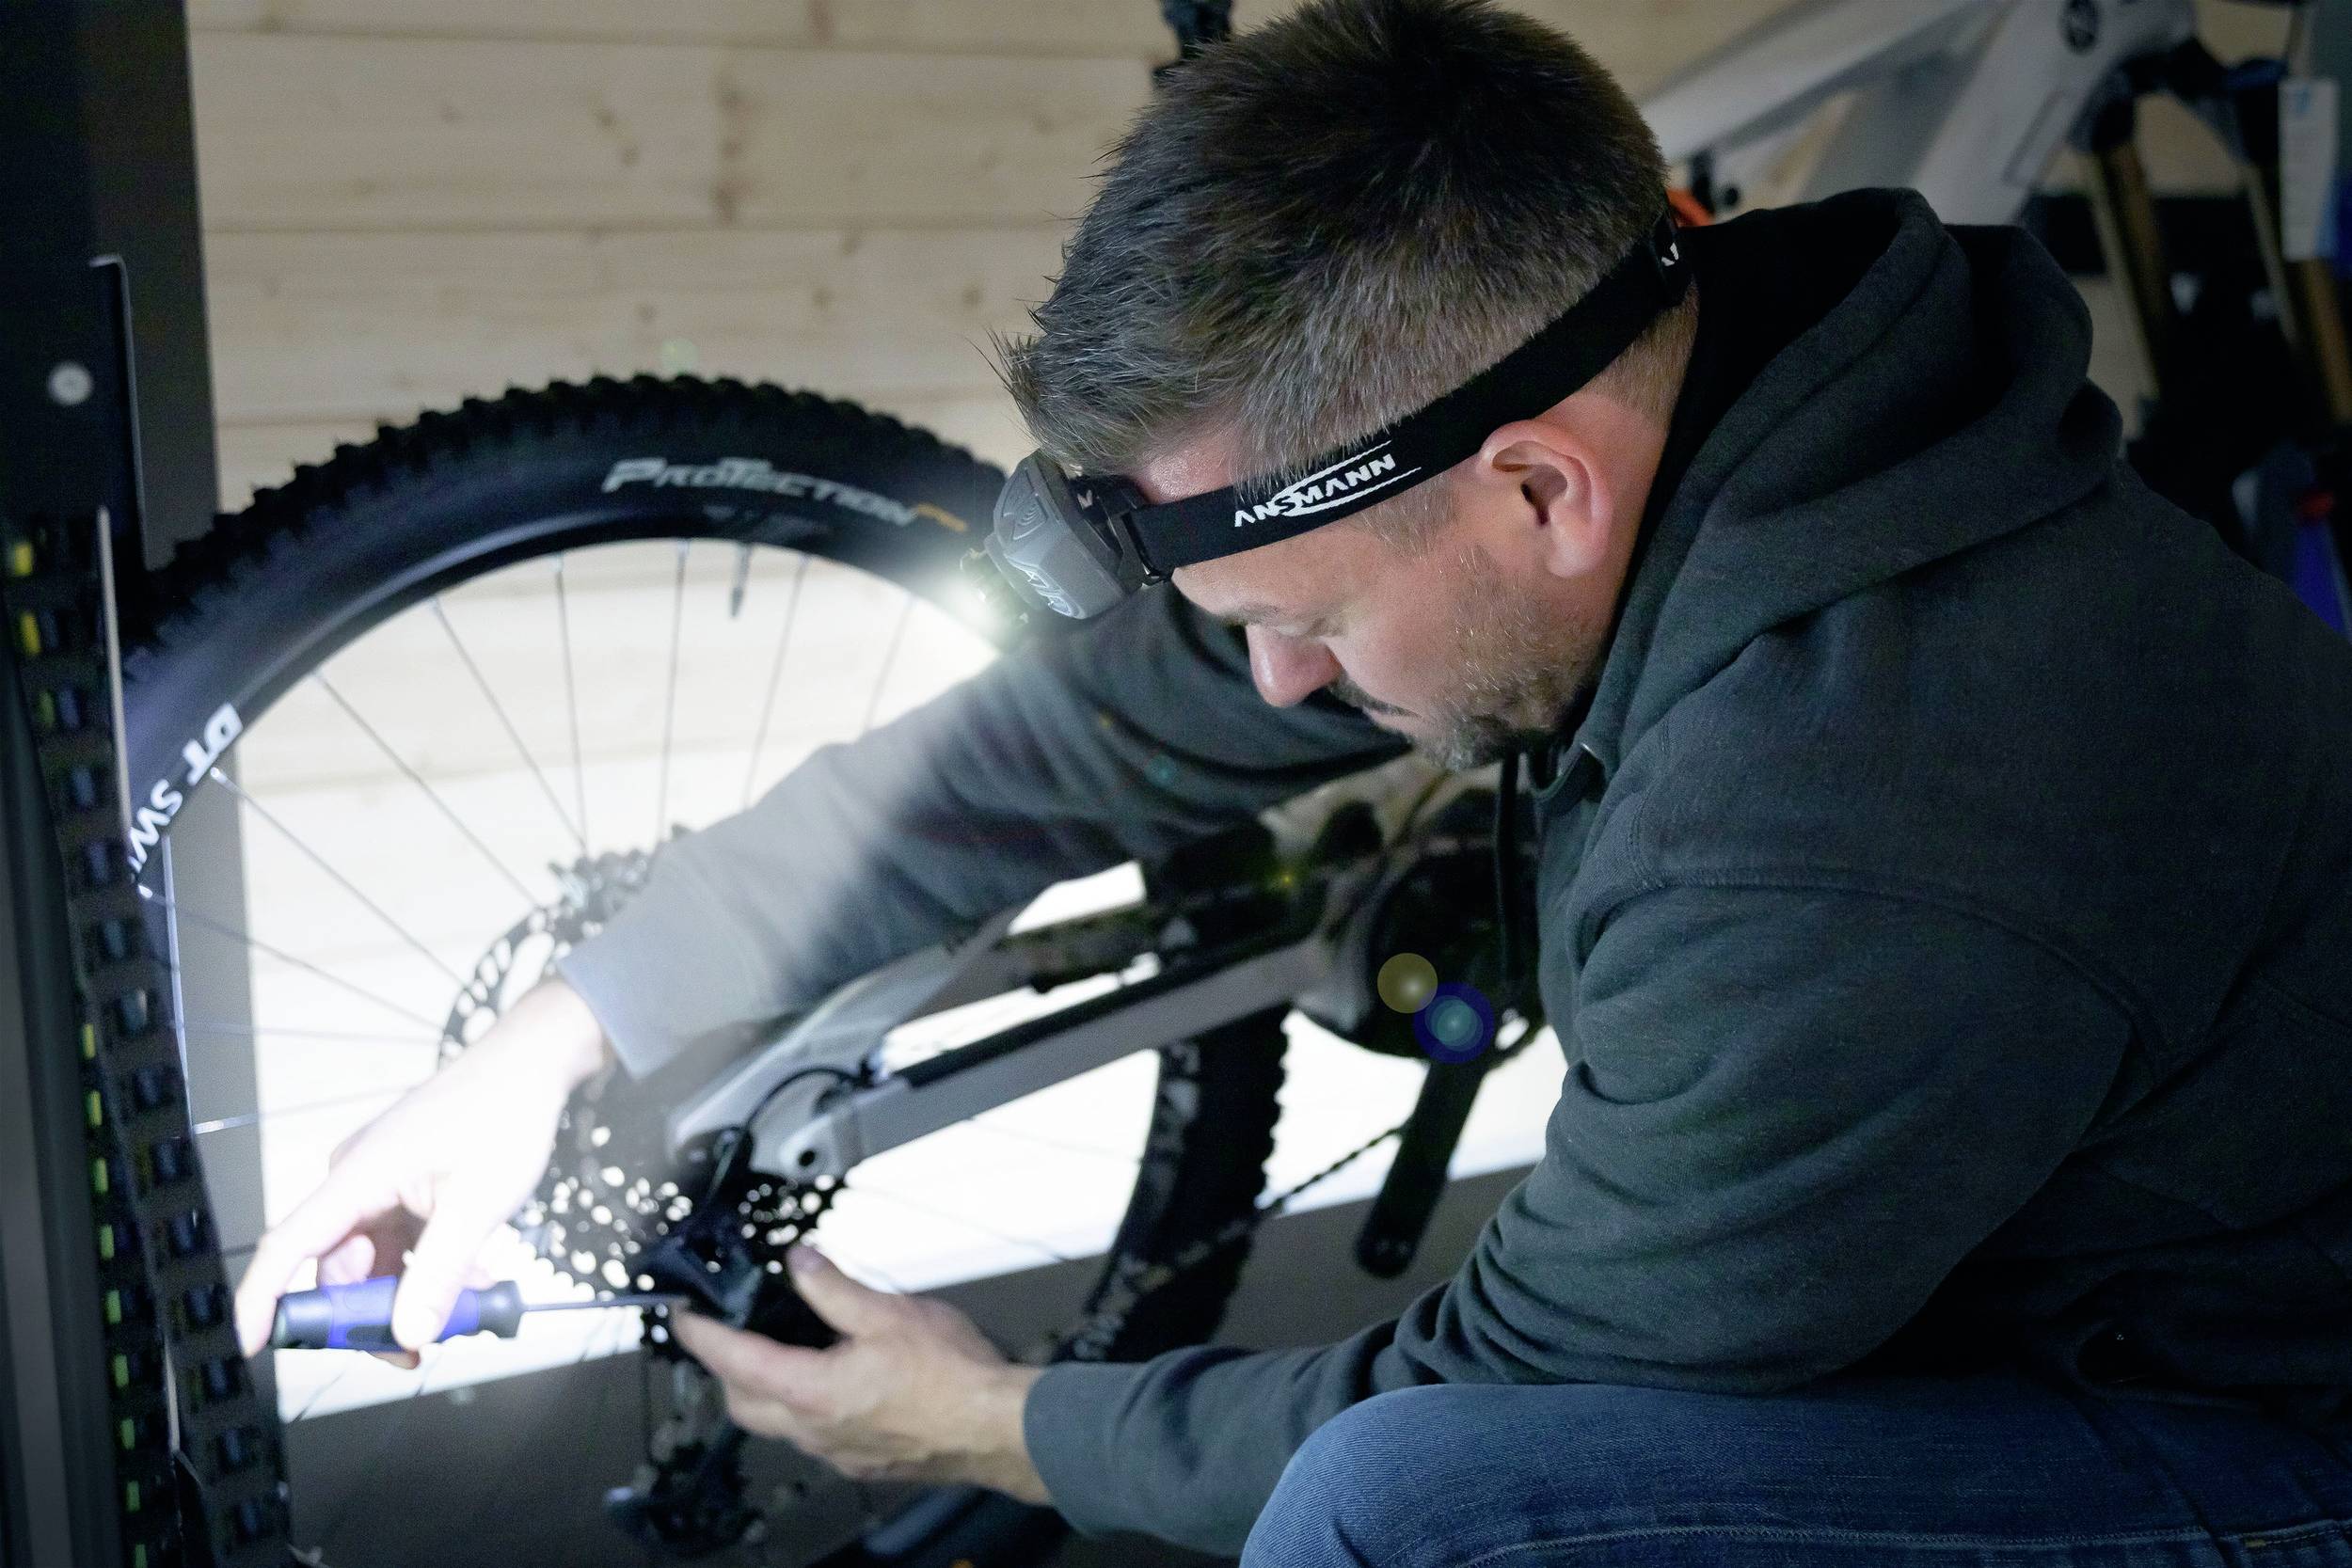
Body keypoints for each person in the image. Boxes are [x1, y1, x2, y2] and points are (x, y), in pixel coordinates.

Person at [235, 0, 2352, 1562]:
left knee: (1399, 1519)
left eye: (1300, 618)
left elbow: (1518, 1397)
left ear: (1535, 490)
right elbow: (1067, 744)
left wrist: (988, 1424)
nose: (1271, 684)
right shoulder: (1691, 418)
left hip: (2257, 1433)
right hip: (2011, 1270)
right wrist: (553, 1031)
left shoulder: (1859, 827)